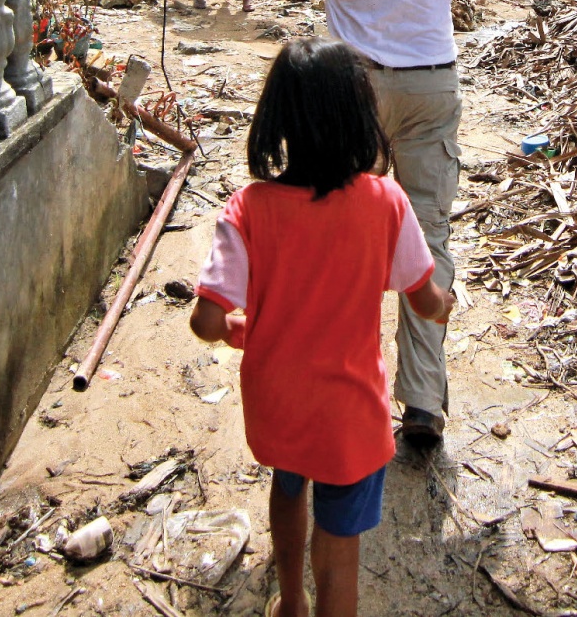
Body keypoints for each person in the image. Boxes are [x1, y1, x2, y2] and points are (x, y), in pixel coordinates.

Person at [274, 0, 501, 448]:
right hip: (430, 86)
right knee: (428, 241)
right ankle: (424, 404)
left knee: (346, 237)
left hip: (353, 93)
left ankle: (347, 382)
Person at [190, 38, 454, 617]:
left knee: (288, 485)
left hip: (279, 404)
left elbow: (206, 319)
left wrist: (240, 330)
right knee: (338, 557)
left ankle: (289, 602)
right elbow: (423, 297)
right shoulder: (386, 201)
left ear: (277, 118)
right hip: (347, 416)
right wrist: (444, 305)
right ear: (360, 114)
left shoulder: (248, 207)